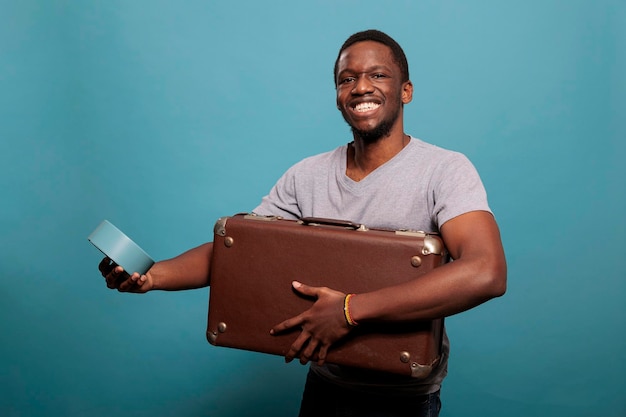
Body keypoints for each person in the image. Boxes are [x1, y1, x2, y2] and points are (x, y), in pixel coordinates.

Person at [100, 29, 507, 417]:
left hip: (402, 399)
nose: (361, 87)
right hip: (324, 384)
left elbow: (486, 271)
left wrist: (349, 311)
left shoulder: (444, 170)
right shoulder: (306, 175)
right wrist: (154, 275)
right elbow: (239, 251)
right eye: (347, 79)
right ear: (337, 97)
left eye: (377, 75)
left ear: (406, 91)